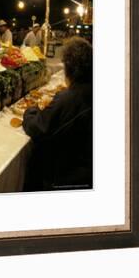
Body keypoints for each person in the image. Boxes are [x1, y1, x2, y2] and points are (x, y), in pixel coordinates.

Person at [22, 37, 93, 191]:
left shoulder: (69, 98)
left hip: (66, 177)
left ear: (69, 69)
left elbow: (37, 127)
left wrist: (31, 111)